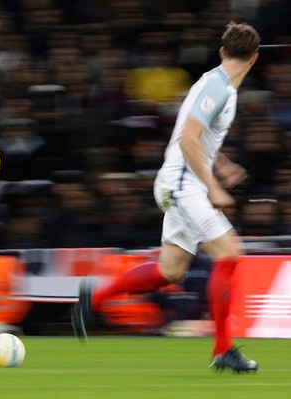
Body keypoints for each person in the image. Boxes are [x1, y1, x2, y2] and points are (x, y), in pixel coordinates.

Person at [81, 22, 260, 372]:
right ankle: (222, 351)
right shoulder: (216, 85)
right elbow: (188, 140)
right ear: (254, 59)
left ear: (222, 51)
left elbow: (195, 134)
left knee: (171, 271)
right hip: (183, 184)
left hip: (184, 183)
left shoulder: (219, 86)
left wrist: (221, 165)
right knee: (230, 253)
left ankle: (94, 299)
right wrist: (214, 186)